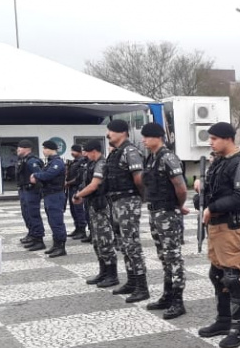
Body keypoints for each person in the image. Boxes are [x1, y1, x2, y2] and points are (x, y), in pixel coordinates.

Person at [196, 122, 240, 348]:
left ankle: (239, 331)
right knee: (217, 274)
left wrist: (212, 208)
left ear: (228, 138)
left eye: (214, 138)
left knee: (234, 278)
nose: (210, 142)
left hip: (230, 226)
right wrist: (201, 196)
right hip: (215, 226)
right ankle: (223, 320)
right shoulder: (219, 162)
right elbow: (214, 193)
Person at [140, 122, 189, 319]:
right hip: (155, 212)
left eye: (146, 136)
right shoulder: (152, 158)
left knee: (173, 256)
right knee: (163, 256)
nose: (143, 140)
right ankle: (168, 296)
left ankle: (178, 301)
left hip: (167, 212)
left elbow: (181, 187)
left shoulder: (168, 158)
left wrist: (178, 205)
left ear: (158, 137)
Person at [104, 119, 149, 304]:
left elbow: (139, 178)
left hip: (128, 200)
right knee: (123, 244)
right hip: (116, 201)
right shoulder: (116, 152)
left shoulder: (130, 151)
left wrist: (142, 198)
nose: (108, 135)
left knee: (132, 243)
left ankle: (142, 287)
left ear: (122, 132)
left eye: (111, 131)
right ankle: (131, 281)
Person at [72, 141, 119, 288]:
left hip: (102, 206)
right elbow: (86, 183)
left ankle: (112, 275)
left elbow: (94, 185)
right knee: (97, 241)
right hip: (93, 205)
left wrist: (79, 195)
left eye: (86, 152)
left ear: (94, 151)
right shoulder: (92, 164)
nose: (85, 154)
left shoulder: (101, 164)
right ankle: (103, 272)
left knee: (105, 240)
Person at [30, 140, 68, 258]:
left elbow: (48, 175)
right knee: (52, 221)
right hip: (49, 195)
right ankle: (56, 245)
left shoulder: (57, 162)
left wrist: (35, 175)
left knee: (57, 221)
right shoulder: (50, 162)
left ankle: (61, 247)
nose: (43, 151)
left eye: (44, 148)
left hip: (55, 195)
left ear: (49, 149)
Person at [15, 139, 45, 251]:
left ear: (27, 149)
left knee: (33, 214)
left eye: (20, 147)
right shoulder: (23, 160)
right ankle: (32, 234)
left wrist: (37, 187)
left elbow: (40, 175)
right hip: (24, 190)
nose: (18, 149)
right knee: (26, 213)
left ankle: (38, 239)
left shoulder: (32, 161)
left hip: (31, 190)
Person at [65, 144, 89, 240]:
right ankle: (77, 228)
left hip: (77, 188)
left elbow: (79, 178)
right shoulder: (74, 162)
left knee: (79, 210)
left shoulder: (82, 162)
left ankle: (82, 230)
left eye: (73, 151)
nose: (72, 153)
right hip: (71, 188)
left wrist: (68, 183)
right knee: (73, 210)